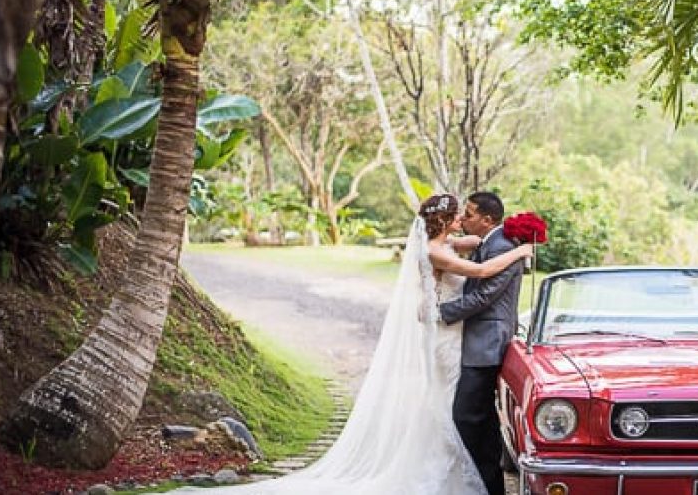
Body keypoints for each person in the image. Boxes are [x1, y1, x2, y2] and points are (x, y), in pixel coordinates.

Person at [172, 194, 531, 494]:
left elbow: (479, 245)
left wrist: (510, 235)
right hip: (447, 336)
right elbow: (483, 272)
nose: (463, 221)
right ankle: (446, 473)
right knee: (447, 407)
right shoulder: (437, 251)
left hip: (454, 338)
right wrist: (519, 252)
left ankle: (461, 471)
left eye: (467, 216)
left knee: (448, 405)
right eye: (458, 216)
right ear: (446, 221)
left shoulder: (446, 243)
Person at [439, 191, 524, 495]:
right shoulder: (489, 242)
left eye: (470, 214)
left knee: (467, 416)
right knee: (481, 418)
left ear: (487, 219)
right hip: (476, 340)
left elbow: (484, 296)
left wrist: (441, 312)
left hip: (488, 344)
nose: (464, 218)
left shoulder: (502, 246)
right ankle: (486, 485)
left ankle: (486, 483)